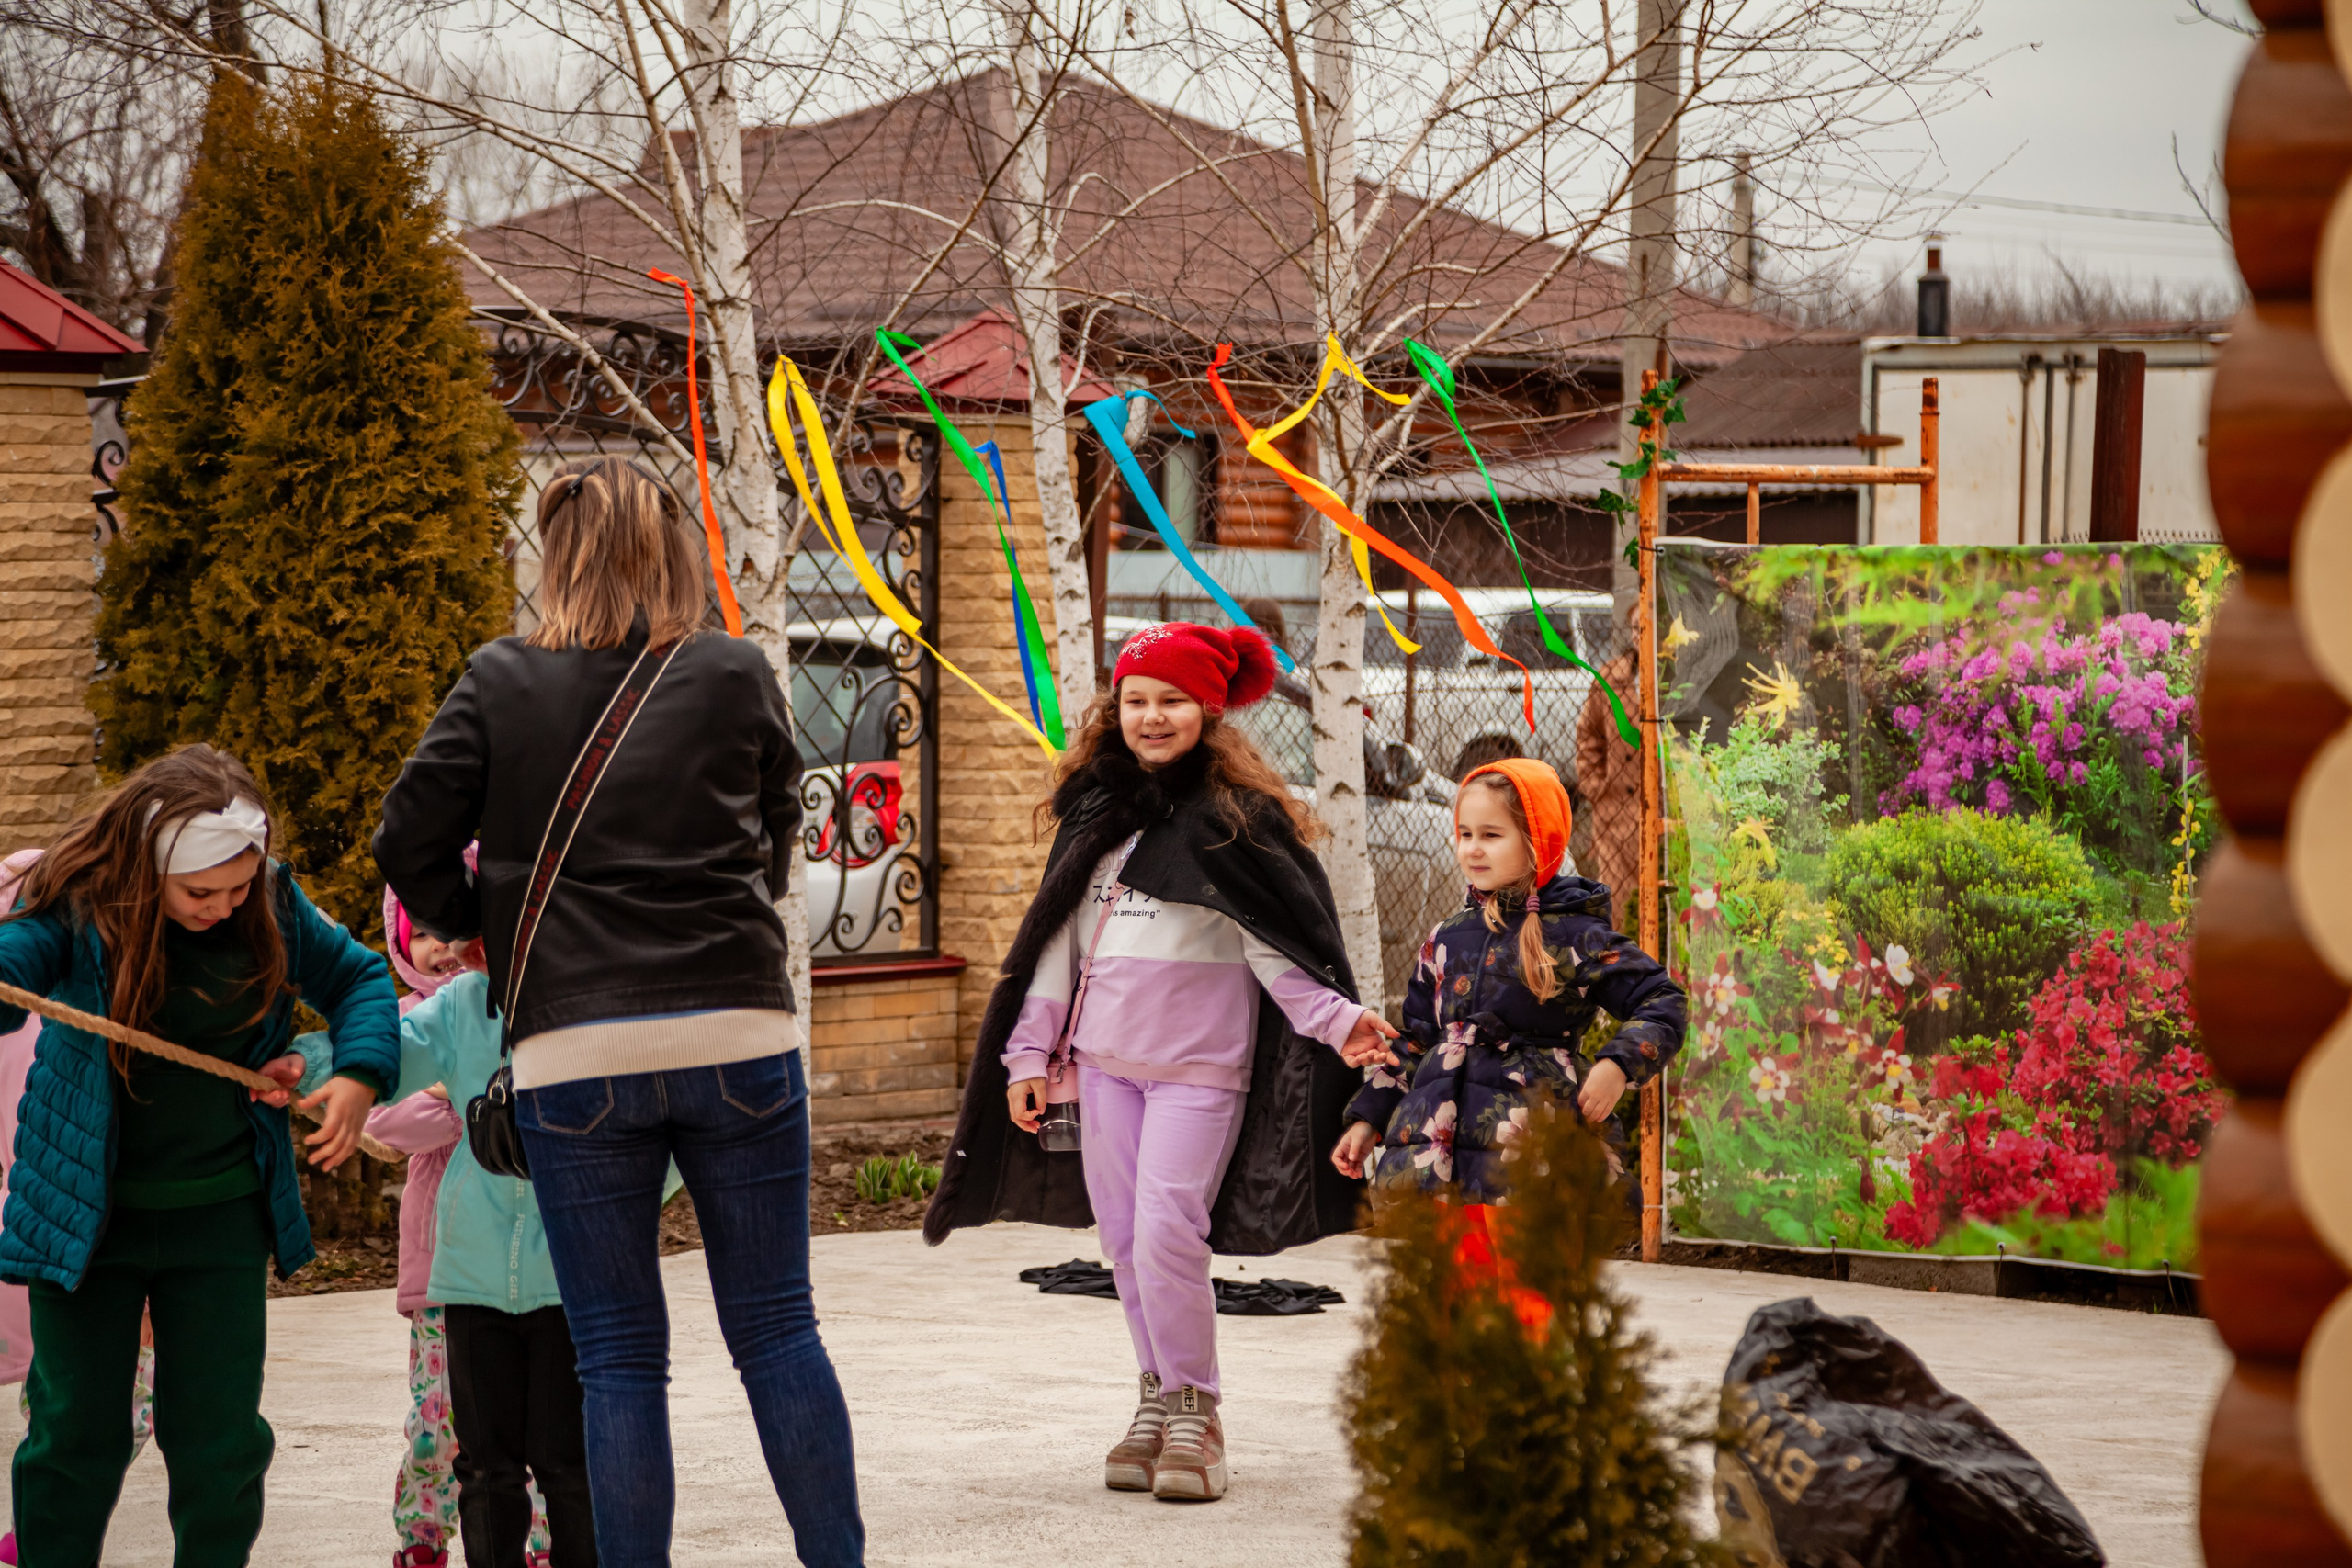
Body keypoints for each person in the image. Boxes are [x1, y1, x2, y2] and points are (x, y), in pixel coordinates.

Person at [373, 456, 862, 1566]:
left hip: (574, 1046)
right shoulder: (734, 671)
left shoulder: (499, 679)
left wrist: (482, 926)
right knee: (780, 1331)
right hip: (735, 1025)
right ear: (677, 552)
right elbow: (780, 823)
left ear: (554, 557)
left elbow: (404, 833)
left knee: (618, 1358)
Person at [925, 622, 1400, 1505]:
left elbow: (1275, 949)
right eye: (1136, 700)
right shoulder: (1094, 819)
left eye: (1172, 701)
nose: (1152, 716)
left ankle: (1197, 1410)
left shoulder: (1235, 825)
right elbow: (1056, 947)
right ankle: (1155, 1396)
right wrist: (1027, 1053)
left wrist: (1341, 1024)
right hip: (1102, 1068)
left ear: (1207, 710)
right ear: (1117, 708)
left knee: (1168, 1230)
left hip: (1198, 1072)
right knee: (1125, 1244)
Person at [0, 744, 397, 1563]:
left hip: (218, 1218)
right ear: (150, 870)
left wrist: (358, 1072)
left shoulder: (276, 902)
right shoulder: (81, 902)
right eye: (199, 891)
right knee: (75, 1432)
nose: (223, 904)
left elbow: (359, 980)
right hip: (85, 1219)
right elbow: (16, 967)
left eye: (238, 885)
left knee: (219, 1439)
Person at [1329, 758, 1685, 1202]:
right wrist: (1370, 1118)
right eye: (1465, 834)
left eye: (1491, 835)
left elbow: (1662, 1000)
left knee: (1521, 1272)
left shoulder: (1576, 936)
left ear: (1537, 842)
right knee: (1453, 1273)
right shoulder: (1446, 939)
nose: (1473, 849)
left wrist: (1618, 1065)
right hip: (1438, 1159)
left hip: (1533, 1153)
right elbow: (1415, 1040)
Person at [363, 879, 557, 1568]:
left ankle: (542, 1539)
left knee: (527, 1421)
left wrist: (455, 1083)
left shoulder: (512, 1004)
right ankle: (421, 1532)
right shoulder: (417, 1018)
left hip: (530, 1267)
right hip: (440, 1270)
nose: (440, 947)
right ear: (398, 942)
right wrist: (469, 1094)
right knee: (436, 1419)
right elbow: (386, 1118)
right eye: (422, 933)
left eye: (453, 929)